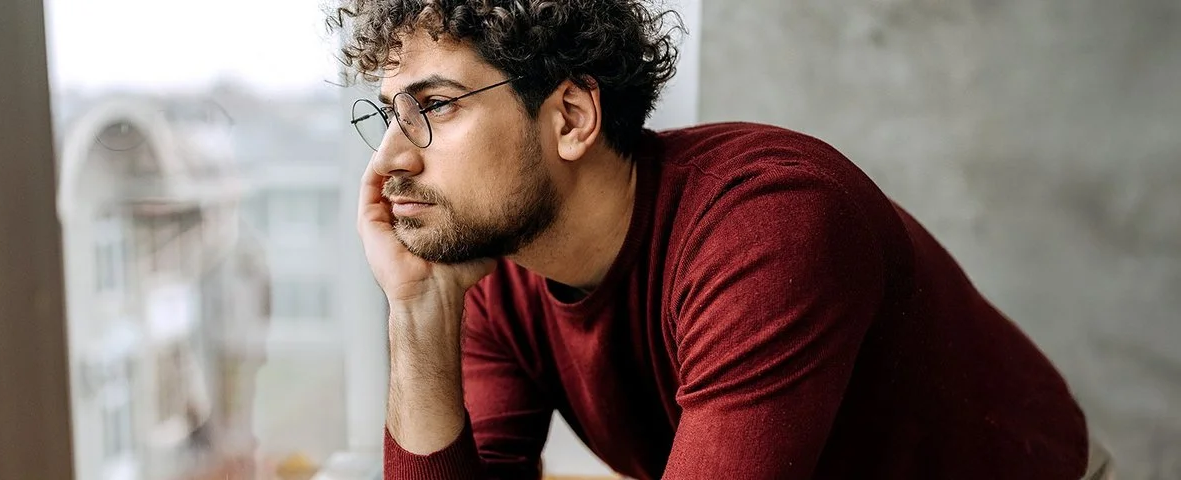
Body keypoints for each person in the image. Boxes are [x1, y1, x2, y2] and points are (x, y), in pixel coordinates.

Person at [332, 1, 1109, 479]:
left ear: (570, 117)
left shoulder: (770, 219)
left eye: (435, 104)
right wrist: (417, 312)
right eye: (389, 115)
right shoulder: (494, 278)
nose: (394, 158)